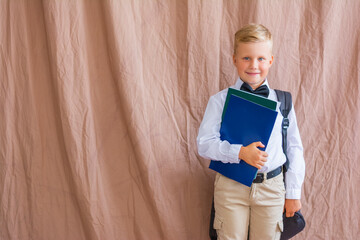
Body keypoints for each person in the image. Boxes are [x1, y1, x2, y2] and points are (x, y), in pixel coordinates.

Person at [196, 24, 305, 240]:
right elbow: (203, 144)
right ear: (235, 59)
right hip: (231, 187)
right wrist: (240, 152)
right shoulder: (219, 101)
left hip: (272, 189)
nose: (254, 65)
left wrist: (293, 193)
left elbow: (294, 149)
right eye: (246, 58)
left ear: (271, 60)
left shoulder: (283, 102)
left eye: (261, 59)